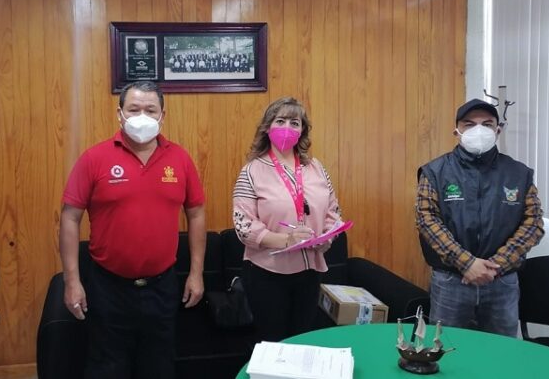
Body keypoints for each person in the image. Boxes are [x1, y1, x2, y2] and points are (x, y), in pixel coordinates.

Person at [59, 80, 206, 379]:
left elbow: (196, 213)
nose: (142, 116)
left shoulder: (179, 159)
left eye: (150, 110)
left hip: (162, 286)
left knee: (159, 367)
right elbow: (70, 218)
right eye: (134, 109)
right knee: (107, 368)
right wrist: (71, 280)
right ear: (120, 114)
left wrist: (196, 273)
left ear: (162, 115)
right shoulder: (94, 158)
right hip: (107, 287)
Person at [416, 98, 544, 337]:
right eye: (469, 124)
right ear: (457, 131)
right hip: (451, 282)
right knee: (446, 348)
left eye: (487, 124)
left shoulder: (519, 173)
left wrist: (496, 265)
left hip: (502, 282)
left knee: (501, 352)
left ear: (497, 130)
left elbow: (533, 223)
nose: (479, 130)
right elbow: (427, 219)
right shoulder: (435, 172)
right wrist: (466, 263)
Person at [232, 97, 342, 342]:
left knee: (302, 341)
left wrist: (328, 238)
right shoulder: (251, 171)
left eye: (295, 122)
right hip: (267, 273)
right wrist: (286, 240)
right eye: (280, 121)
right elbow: (243, 225)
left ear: (302, 130)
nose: (287, 128)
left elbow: (333, 210)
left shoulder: (316, 167)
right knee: (274, 343)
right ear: (267, 127)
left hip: (309, 270)